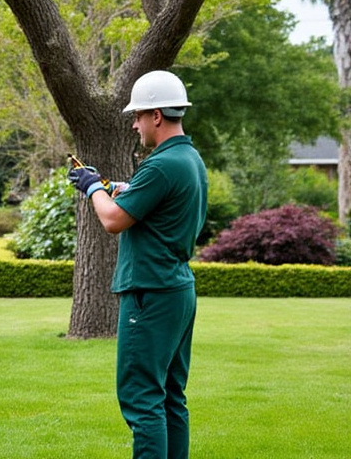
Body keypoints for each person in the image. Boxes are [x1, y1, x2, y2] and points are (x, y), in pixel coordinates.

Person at [68, 70, 208, 459]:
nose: (134, 124)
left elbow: (113, 220)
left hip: (150, 292)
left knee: (142, 398)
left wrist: (92, 186)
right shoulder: (189, 159)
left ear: (156, 115)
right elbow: (156, 200)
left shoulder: (160, 165)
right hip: (176, 288)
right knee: (170, 396)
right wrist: (118, 188)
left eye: (138, 116)